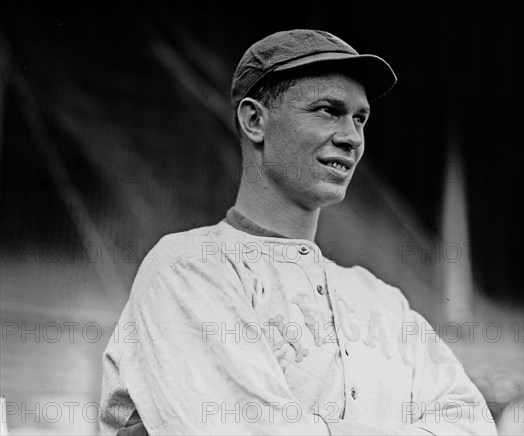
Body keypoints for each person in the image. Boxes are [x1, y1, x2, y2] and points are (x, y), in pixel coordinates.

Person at [100, 29, 498, 435]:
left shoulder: (383, 302)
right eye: (328, 110)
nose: (351, 137)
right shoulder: (188, 269)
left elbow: (473, 426)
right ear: (255, 120)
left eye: (360, 118)